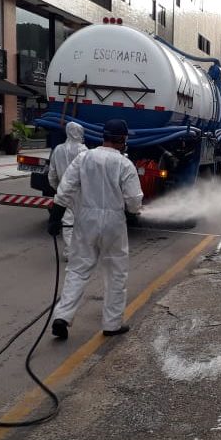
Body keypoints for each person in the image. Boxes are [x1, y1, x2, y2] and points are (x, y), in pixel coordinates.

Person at [48, 119, 144, 339]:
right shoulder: (124, 164)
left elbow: (65, 188)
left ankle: (62, 316)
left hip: (86, 220)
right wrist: (134, 212)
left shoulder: (84, 158)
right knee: (115, 274)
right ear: (122, 139)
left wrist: (56, 216)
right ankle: (111, 324)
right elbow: (133, 199)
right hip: (113, 224)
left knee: (77, 270)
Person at [47, 121, 88, 260]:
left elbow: (52, 172)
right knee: (80, 222)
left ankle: (70, 252)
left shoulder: (58, 149)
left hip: (63, 190)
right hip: (80, 191)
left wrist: (57, 188)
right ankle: (79, 251)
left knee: (67, 222)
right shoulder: (84, 150)